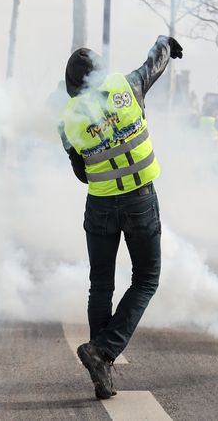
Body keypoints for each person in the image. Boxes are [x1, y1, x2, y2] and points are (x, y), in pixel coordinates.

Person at [59, 36, 182, 400]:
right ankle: (104, 351)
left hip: (99, 205)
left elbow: (81, 172)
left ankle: (101, 368)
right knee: (146, 278)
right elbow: (153, 65)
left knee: (101, 285)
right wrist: (165, 43)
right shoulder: (126, 87)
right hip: (140, 199)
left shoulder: (67, 121)